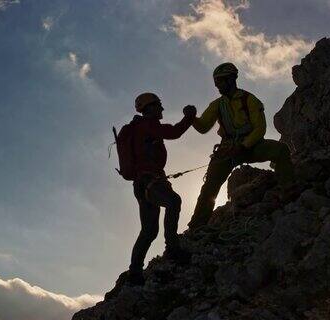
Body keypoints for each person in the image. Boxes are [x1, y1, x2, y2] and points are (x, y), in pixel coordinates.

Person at [187, 63, 296, 230]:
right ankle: (197, 225)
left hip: (251, 146)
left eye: (221, 82)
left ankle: (289, 190)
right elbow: (203, 127)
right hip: (227, 150)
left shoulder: (250, 100)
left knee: (281, 150)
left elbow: (260, 128)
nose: (218, 86)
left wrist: (243, 146)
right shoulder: (217, 104)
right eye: (216, 83)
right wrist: (192, 118)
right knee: (210, 187)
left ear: (232, 79)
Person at [127, 92, 196, 286]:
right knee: (174, 201)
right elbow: (174, 132)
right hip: (152, 182)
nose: (162, 109)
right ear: (149, 108)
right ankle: (172, 248)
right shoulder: (148, 125)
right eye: (158, 105)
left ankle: (134, 273)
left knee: (148, 231)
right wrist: (189, 116)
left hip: (142, 185)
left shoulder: (136, 128)